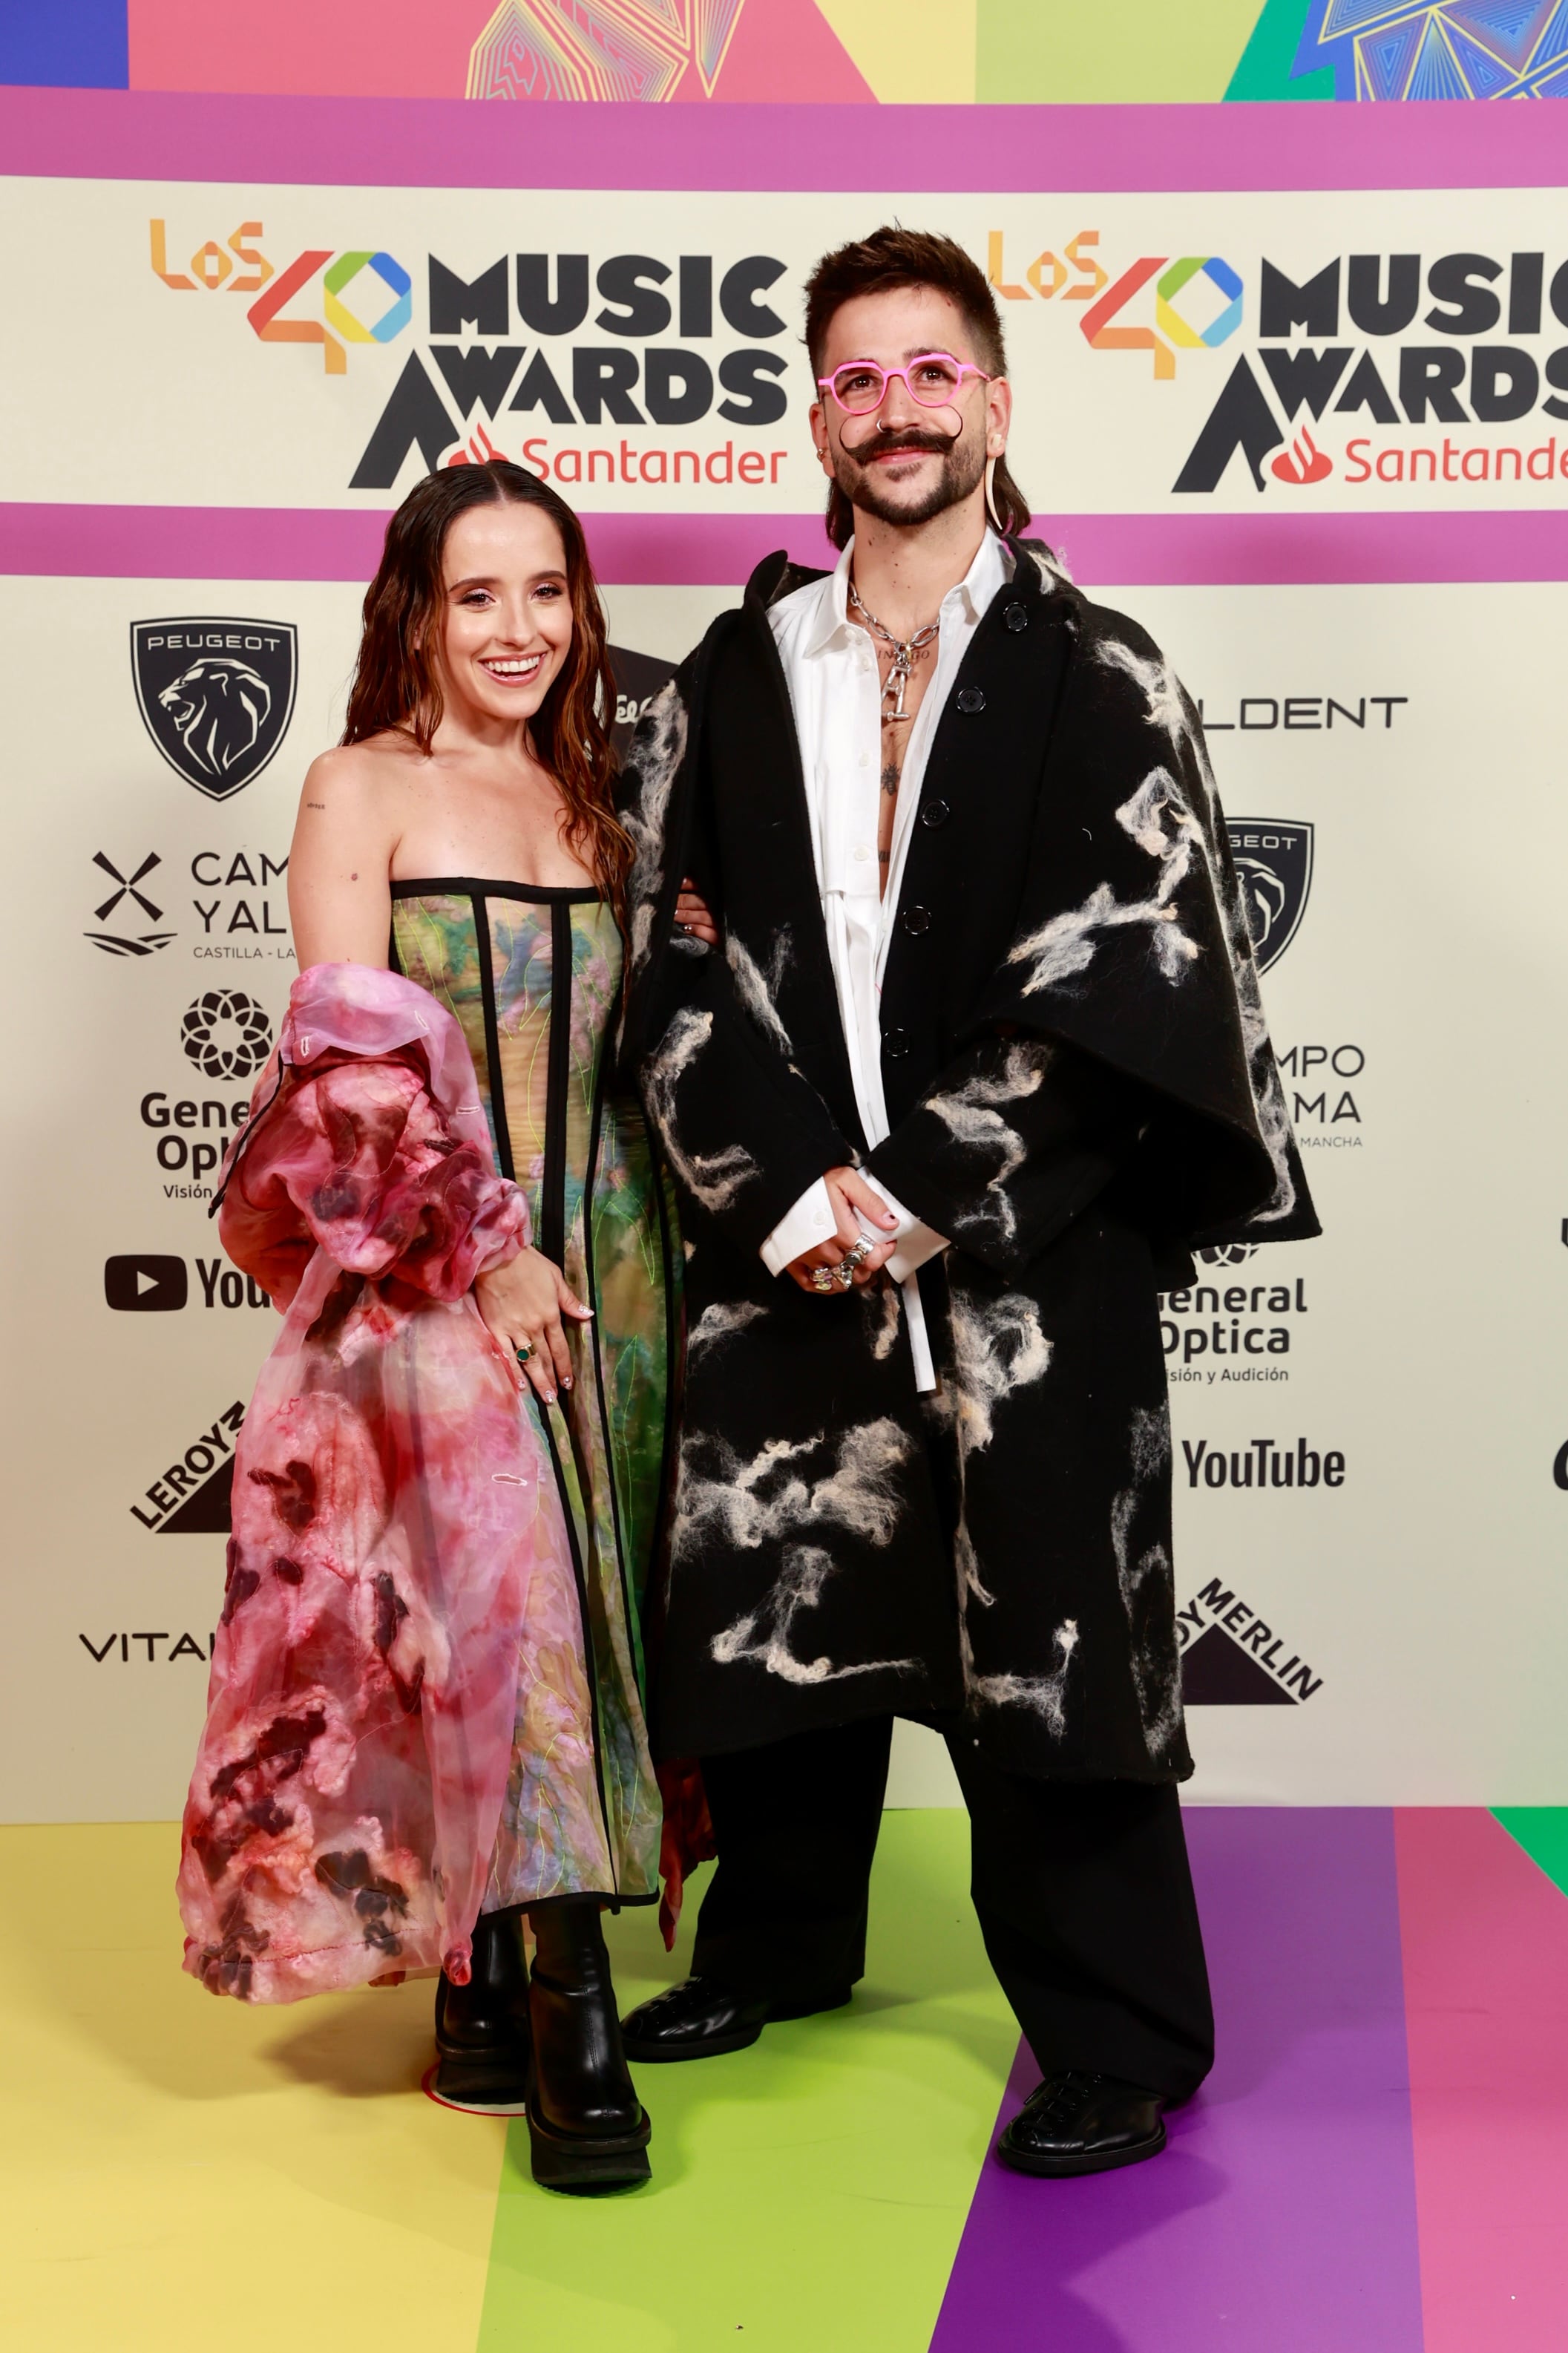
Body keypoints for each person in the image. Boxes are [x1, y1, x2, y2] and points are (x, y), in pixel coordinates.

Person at [615, 229, 1319, 2178]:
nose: (896, 406)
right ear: (818, 413)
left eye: (931, 371)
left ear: (994, 402)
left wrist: (913, 1192)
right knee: (782, 1595)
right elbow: (676, 966)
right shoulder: (738, 677)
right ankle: (774, 1942)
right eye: (857, 375)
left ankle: (1113, 2039)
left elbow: (1136, 977)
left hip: (1024, 1249)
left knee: (1052, 1635)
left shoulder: (1099, 673)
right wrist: (782, 1199)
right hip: (790, 1247)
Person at [177, 460, 705, 2193]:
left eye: (546, 590)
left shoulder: (607, 797)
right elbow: (346, 1070)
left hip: (620, 1278)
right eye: (477, 594)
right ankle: (576, 2011)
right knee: (510, 1620)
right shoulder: (357, 786)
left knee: (594, 1626)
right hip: (436, 1274)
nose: (518, 628)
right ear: (413, 604)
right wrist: (485, 1256)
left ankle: (479, 1973)